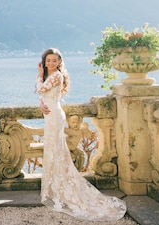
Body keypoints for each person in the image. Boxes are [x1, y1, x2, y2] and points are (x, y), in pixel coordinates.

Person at [35, 48, 127, 221]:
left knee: (57, 152)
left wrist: (40, 74)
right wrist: (41, 104)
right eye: (48, 60)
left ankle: (63, 189)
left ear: (59, 62)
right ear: (45, 61)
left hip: (54, 116)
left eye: (54, 60)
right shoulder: (49, 75)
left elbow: (41, 89)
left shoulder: (56, 76)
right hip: (49, 115)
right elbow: (43, 95)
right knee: (54, 151)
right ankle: (57, 188)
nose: (51, 63)